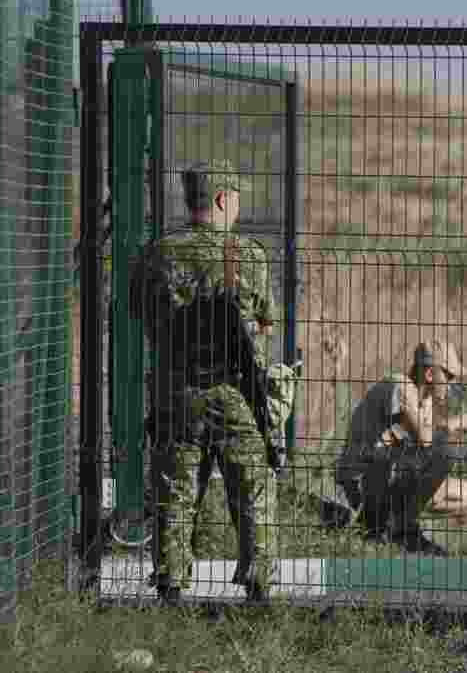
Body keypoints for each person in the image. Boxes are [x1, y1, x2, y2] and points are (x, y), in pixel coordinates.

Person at [128, 158, 285, 604]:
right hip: (233, 391)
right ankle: (258, 587)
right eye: (235, 197)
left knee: (175, 490)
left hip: (175, 391)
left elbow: (139, 314)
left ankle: (170, 588)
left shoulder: (158, 253)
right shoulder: (246, 255)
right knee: (253, 486)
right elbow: (264, 327)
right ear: (222, 198)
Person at [335, 340, 467, 556]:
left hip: (388, 476)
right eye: (448, 376)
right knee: (444, 455)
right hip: (361, 483)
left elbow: (421, 444)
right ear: (430, 375)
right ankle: (387, 530)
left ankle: (399, 528)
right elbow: (425, 439)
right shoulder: (401, 388)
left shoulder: (425, 401)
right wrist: (455, 424)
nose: (452, 384)